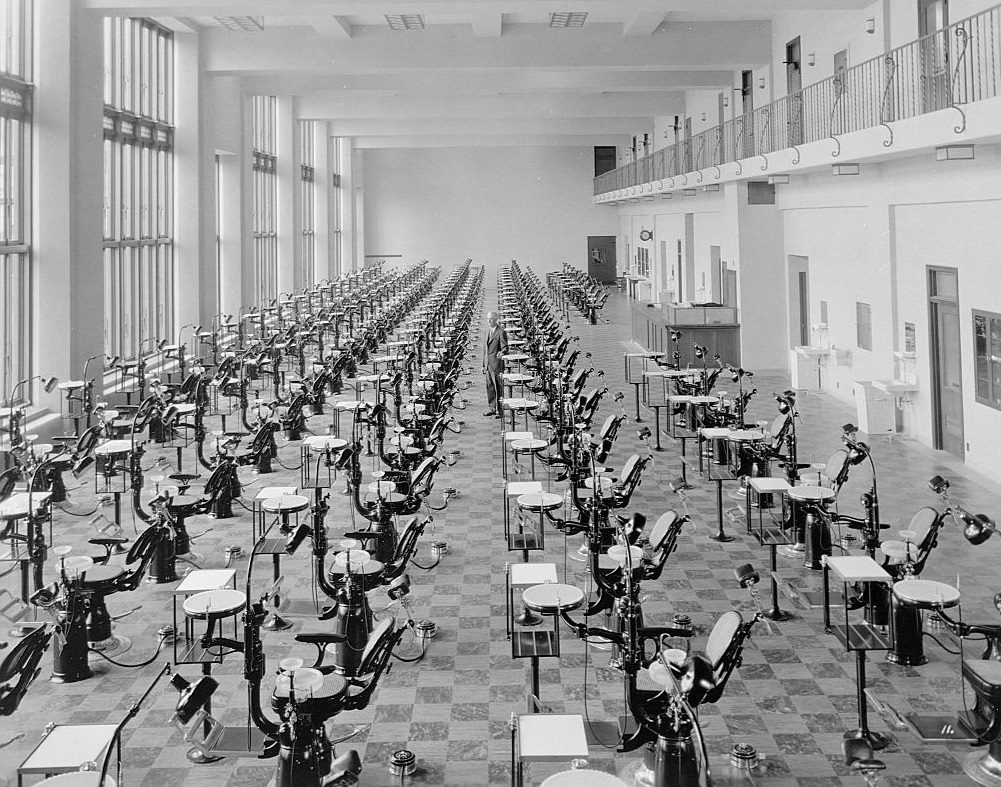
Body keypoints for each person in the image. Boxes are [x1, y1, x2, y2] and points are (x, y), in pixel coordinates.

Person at [482, 311, 507, 418]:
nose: (489, 321)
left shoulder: (501, 332)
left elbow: (505, 347)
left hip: (497, 364)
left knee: (498, 387)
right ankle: (492, 408)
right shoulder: (487, 332)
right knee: (490, 387)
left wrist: (502, 352)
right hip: (488, 365)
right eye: (488, 319)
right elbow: (485, 351)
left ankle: (500, 411)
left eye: (491, 319)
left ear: (496, 320)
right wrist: (483, 365)